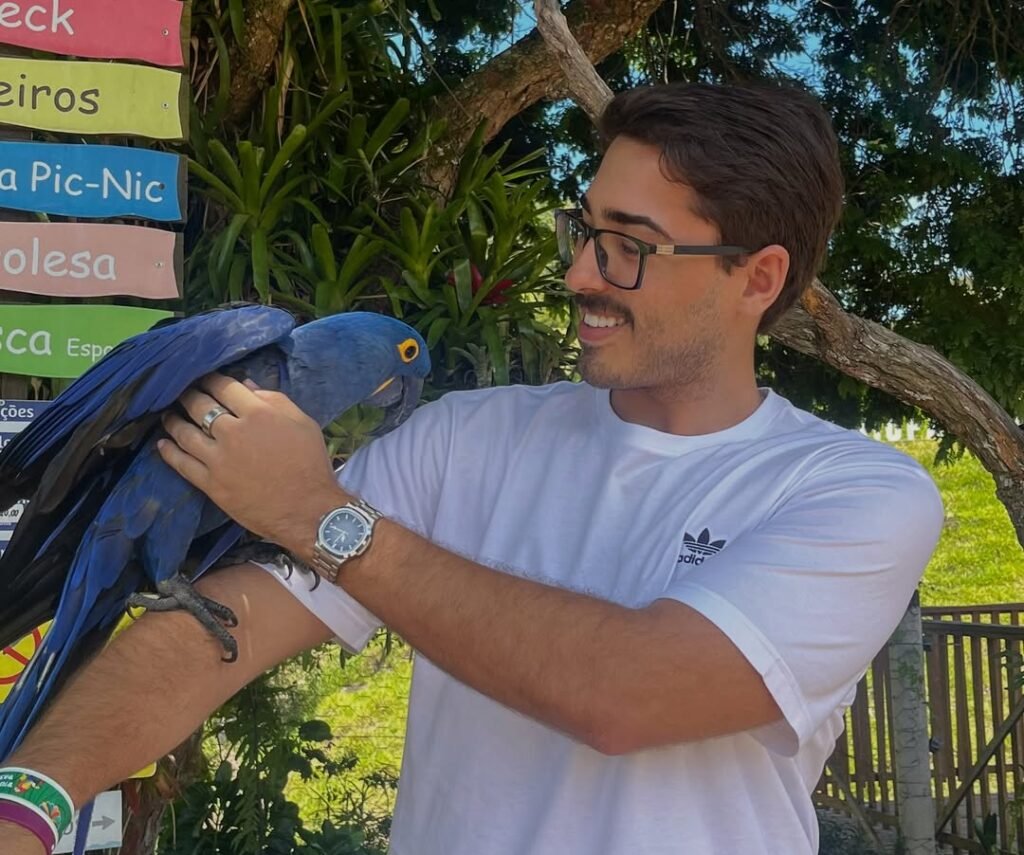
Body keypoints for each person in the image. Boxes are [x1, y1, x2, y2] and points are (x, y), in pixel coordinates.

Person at [1, 81, 943, 855]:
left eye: (629, 247)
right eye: (585, 230)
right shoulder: (462, 439)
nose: (579, 273)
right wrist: (27, 800)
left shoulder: (853, 493)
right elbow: (221, 628)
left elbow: (628, 694)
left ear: (759, 278)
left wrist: (319, 513)